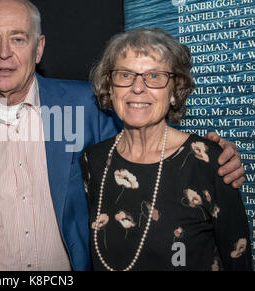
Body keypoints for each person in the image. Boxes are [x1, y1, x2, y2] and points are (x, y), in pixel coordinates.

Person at [0, 0, 245, 270]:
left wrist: (216, 158)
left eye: (18, 39)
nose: (4, 52)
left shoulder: (87, 106)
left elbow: (149, 140)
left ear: (39, 48)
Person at [81, 28, 252, 271]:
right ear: (110, 87)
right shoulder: (94, 161)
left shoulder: (210, 161)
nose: (137, 87)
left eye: (154, 76)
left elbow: (239, 260)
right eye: (125, 75)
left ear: (175, 90)